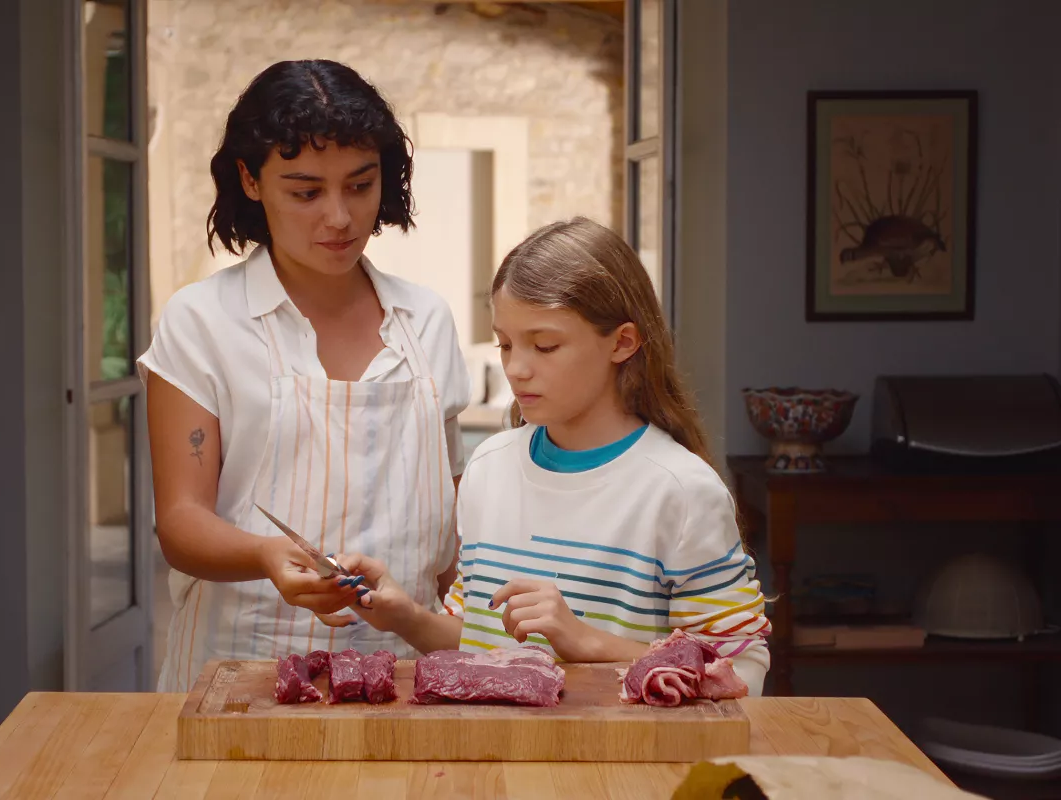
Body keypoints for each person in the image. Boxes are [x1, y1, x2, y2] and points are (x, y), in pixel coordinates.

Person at [138, 60, 470, 692]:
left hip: (410, 669)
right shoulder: (202, 320)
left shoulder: (425, 319)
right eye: (306, 191)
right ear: (251, 180)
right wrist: (266, 554)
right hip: (242, 670)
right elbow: (181, 521)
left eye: (360, 184)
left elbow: (451, 521)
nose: (340, 218)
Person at [337, 217, 771, 696]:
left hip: (624, 766)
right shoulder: (488, 469)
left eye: (545, 345)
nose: (517, 369)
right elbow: (481, 645)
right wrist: (406, 616)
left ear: (622, 342)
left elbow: (738, 675)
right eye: (505, 344)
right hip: (498, 764)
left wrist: (583, 639)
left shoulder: (681, 491)